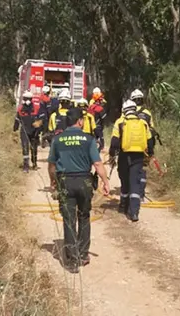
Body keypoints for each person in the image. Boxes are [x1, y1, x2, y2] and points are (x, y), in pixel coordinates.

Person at [48, 107, 111, 272]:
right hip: (84, 181)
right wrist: (105, 182)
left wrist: (53, 181)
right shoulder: (89, 139)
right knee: (84, 216)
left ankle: (72, 261)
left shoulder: (57, 140)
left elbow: (52, 165)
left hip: (65, 181)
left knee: (69, 219)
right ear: (80, 121)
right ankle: (83, 254)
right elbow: (97, 163)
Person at [109, 100, 154, 222]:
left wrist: (112, 155)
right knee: (135, 182)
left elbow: (114, 142)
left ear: (124, 111)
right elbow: (150, 141)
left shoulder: (120, 122)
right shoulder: (143, 123)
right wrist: (150, 154)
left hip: (124, 155)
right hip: (138, 156)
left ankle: (123, 206)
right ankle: (134, 212)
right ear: (135, 110)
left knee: (124, 180)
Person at [13, 91, 46, 172]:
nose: (26, 100)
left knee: (33, 148)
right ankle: (26, 166)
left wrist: (39, 124)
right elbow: (17, 120)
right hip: (24, 131)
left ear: (31, 99)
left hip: (34, 132)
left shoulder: (36, 108)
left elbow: (42, 118)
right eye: (25, 98)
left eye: (28, 99)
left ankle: (34, 163)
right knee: (25, 148)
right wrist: (15, 129)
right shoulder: (21, 109)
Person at [88, 87, 108, 151]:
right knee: (101, 141)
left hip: (91, 126)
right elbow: (103, 118)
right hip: (98, 126)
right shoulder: (99, 108)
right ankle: (101, 149)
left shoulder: (91, 106)